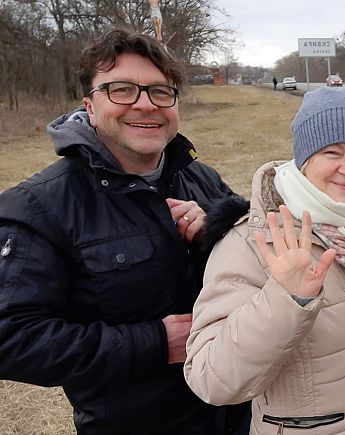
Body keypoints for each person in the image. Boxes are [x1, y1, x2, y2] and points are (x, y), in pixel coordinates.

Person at [0, 29, 240, 434]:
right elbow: (12, 339)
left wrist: (217, 226)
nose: (146, 105)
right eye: (122, 89)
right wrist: (154, 343)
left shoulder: (202, 180)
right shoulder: (39, 207)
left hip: (238, 413)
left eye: (161, 92)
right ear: (89, 107)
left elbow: (261, 256)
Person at [184, 87, 345, 434]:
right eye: (333, 152)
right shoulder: (254, 241)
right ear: (304, 158)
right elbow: (212, 379)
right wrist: (286, 298)